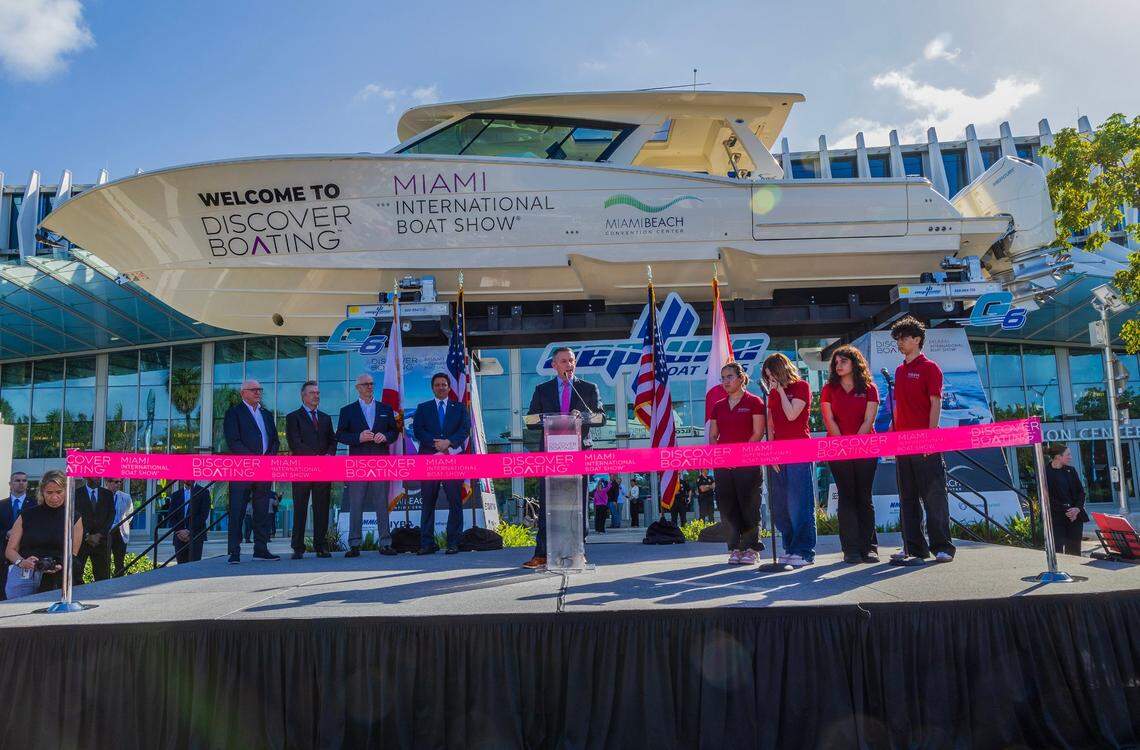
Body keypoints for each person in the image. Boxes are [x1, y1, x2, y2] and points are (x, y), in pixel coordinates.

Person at [522, 346, 605, 570]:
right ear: (554, 365)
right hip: (551, 455)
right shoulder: (542, 390)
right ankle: (541, 554)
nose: (569, 365)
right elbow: (530, 420)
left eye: (571, 361)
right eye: (564, 361)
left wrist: (582, 416)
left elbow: (600, 418)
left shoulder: (588, 388)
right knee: (548, 502)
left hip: (579, 453)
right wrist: (550, 418)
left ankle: (578, 552)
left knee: (578, 503)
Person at [890, 316, 954, 565]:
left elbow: (935, 403)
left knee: (934, 496)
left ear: (917, 339)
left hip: (926, 442)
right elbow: (898, 407)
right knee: (907, 497)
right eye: (898, 338)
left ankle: (943, 547)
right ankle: (914, 547)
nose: (900, 342)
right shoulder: (898, 370)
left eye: (904, 337)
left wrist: (930, 437)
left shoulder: (930, 368)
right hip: (902, 443)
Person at [820, 345, 880, 564]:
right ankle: (851, 550)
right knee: (846, 498)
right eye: (836, 362)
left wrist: (856, 445)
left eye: (843, 361)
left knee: (864, 498)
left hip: (866, 447)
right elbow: (829, 420)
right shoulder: (829, 389)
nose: (838, 365)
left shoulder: (870, 388)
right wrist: (844, 445)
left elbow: (869, 419)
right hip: (837, 449)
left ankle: (870, 548)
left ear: (855, 363)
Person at [708, 362, 766, 565]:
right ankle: (734, 548)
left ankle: (751, 548)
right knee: (727, 508)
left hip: (748, 464)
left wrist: (739, 457)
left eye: (729, 376)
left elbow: (758, 433)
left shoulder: (755, 402)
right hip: (723, 467)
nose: (725, 381)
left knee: (749, 507)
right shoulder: (718, 406)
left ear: (741, 378)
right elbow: (713, 436)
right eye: (723, 378)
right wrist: (724, 458)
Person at [337, 373, 399, 557]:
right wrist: (358, 437)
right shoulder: (347, 410)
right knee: (356, 503)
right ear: (357, 387)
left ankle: (385, 543)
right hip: (358, 463)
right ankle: (354, 544)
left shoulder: (385, 408)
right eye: (365, 384)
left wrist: (385, 437)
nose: (369, 387)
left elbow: (394, 433)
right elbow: (339, 435)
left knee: (381, 503)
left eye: (371, 384)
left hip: (380, 462)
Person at [763, 352, 816, 568]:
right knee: (780, 505)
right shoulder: (772, 394)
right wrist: (772, 451)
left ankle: (804, 551)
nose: (770, 381)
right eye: (767, 377)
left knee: (799, 504)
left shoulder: (801, 387)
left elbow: (792, 414)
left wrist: (782, 391)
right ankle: (790, 547)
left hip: (799, 449)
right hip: (780, 452)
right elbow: (770, 424)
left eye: (772, 375)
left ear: (781, 370)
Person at [412, 372, 471, 555]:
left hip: (452, 461)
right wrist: (436, 444)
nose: (441, 387)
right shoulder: (423, 408)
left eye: (444, 384)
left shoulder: (459, 408)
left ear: (449, 387)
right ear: (432, 388)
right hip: (429, 460)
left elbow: (465, 429)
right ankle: (427, 543)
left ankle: (453, 542)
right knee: (428, 502)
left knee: (455, 502)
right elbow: (418, 430)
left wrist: (449, 443)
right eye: (437, 385)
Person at [223, 378, 281, 564]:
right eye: (254, 389)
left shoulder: (266, 414)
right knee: (238, 510)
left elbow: (274, 440)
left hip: (264, 470)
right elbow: (233, 441)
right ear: (243, 393)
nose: (258, 392)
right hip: (242, 470)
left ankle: (261, 549)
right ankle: (234, 551)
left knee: (262, 511)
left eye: (260, 389)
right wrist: (253, 459)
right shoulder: (234, 413)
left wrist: (268, 457)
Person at [4, 469, 83, 600]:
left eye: (59, 492)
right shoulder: (26, 515)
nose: (54, 497)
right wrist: (22, 562)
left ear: (66, 491)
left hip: (57, 580)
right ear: (42, 492)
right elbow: (10, 550)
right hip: (25, 577)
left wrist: (59, 565)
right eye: (49, 492)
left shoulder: (74, 517)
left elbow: (73, 554)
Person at [285, 380, 338, 559]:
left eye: (318, 393)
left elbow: (332, 440)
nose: (316, 396)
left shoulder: (325, 418)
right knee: (300, 508)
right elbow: (295, 442)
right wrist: (315, 458)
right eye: (313, 393)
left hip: (323, 470)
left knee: (321, 508)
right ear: (303, 395)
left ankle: (321, 546)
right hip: (302, 470)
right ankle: (298, 547)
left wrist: (329, 455)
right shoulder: (293, 417)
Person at [1045, 444, 1089, 556]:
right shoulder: (1044, 473)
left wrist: (1077, 509)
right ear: (1058, 457)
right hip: (1057, 518)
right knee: (1057, 551)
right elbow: (1046, 497)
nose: (1070, 457)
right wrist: (1068, 511)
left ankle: (1074, 573)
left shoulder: (1071, 470)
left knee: (1074, 552)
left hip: (1075, 518)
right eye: (1068, 454)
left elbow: (1081, 492)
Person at [75, 476, 116, 581]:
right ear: (86, 477)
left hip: (101, 542)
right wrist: (87, 535)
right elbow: (74, 516)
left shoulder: (107, 494)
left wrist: (99, 535)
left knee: (102, 575)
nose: (97, 478)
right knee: (76, 573)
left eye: (99, 476)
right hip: (81, 541)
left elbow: (111, 516)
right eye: (94, 475)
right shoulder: (76, 494)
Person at [0, 471, 34, 600]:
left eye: (24, 481)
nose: (21, 483)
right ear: (10, 484)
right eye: (17, 480)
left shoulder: (34, 505)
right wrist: (6, 533)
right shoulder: (1, 505)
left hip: (25, 554)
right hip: (2, 555)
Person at [166, 479, 211, 564]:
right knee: (181, 566)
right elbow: (171, 516)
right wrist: (180, 531)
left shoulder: (204, 492)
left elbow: (203, 515)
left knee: (194, 566)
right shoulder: (176, 495)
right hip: (179, 536)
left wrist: (189, 531)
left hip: (195, 535)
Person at [106, 478, 133, 576]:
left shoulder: (125, 497)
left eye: (120, 482)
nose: (119, 484)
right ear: (108, 482)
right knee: (105, 560)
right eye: (116, 482)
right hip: (107, 531)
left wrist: (122, 524)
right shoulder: (103, 495)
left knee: (119, 561)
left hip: (120, 531)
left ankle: (119, 580)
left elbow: (130, 513)